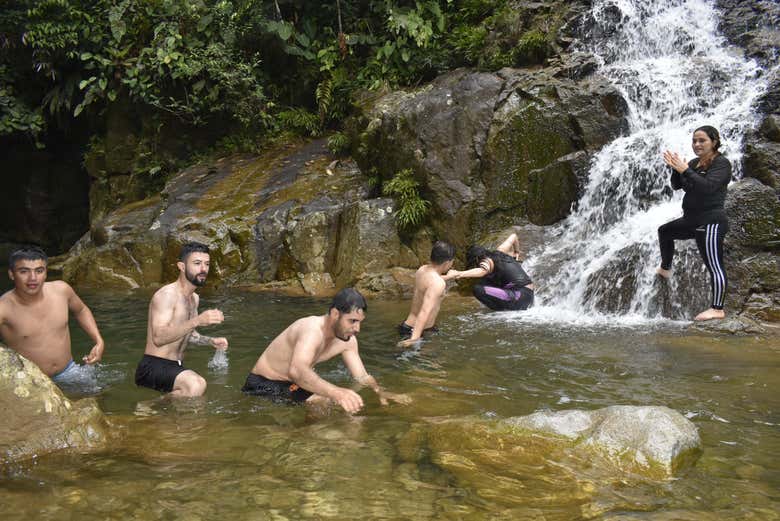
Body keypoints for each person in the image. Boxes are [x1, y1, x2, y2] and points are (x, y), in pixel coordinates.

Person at [242, 288, 410, 413]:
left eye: (360, 322)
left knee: (349, 408)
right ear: (335, 314)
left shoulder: (348, 340)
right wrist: (337, 393)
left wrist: (380, 392)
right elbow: (297, 370)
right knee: (324, 401)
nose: (357, 328)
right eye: (352, 321)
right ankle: (306, 441)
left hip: (292, 384)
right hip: (264, 384)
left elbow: (362, 376)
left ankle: (310, 438)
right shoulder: (311, 330)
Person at [657, 125, 731, 321]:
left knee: (714, 265)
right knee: (665, 231)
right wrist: (676, 169)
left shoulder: (722, 163)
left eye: (702, 140)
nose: (697, 144)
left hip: (711, 221)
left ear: (714, 142)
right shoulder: (694, 163)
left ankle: (717, 309)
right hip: (691, 219)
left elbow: (708, 187)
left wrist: (685, 170)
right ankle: (665, 268)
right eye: (694, 141)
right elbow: (677, 186)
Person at [135, 241, 228, 396]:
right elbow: (158, 338)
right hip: (153, 367)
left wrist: (210, 341)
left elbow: (188, 334)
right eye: (197, 263)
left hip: (175, 366)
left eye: (206, 264)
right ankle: (151, 406)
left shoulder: (194, 298)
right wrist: (197, 320)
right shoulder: (167, 295)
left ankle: (151, 407)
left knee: (194, 395)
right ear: (182, 266)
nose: (203, 269)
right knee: (196, 384)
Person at [0, 245, 105, 383]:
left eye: (39, 271)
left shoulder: (61, 290)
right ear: (11, 274)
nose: (33, 278)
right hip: (32, 382)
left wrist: (98, 340)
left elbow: (81, 310)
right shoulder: (4, 308)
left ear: (46, 272)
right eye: (24, 271)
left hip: (69, 371)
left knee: (102, 393)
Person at [448, 233, 535, 311]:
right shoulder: (500, 251)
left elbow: (482, 271)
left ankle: (501, 311)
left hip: (519, 297)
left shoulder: (486, 262)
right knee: (485, 281)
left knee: (478, 289)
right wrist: (516, 252)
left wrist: (459, 273)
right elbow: (514, 236)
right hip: (529, 295)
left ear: (477, 259)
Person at [397, 241, 456, 347]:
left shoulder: (422, 269)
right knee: (430, 357)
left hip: (408, 325)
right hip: (418, 331)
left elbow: (430, 282)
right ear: (447, 263)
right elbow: (425, 311)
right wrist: (414, 339)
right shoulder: (438, 283)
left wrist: (448, 277)